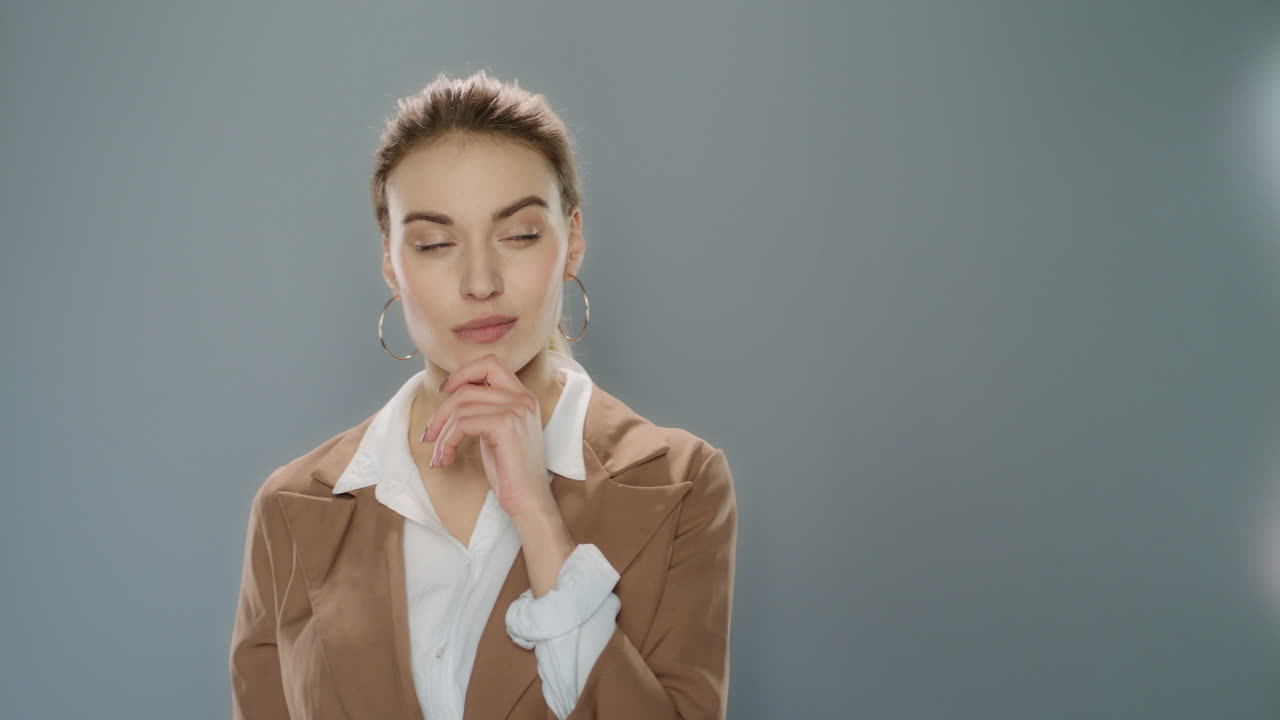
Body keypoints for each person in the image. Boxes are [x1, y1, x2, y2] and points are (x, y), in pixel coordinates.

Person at [228, 69, 738, 720]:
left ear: (572, 240)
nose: (480, 280)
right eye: (435, 243)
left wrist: (538, 521)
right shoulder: (291, 510)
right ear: (391, 261)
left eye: (520, 234)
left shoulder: (682, 484)